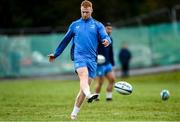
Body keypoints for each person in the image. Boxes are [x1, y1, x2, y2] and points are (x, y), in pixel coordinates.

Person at [48, 0, 111, 120]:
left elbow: (105, 36)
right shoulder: (75, 25)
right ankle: (89, 95)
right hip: (79, 57)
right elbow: (65, 40)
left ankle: (74, 114)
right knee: (83, 76)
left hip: (92, 60)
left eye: (87, 12)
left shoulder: (98, 25)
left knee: (84, 87)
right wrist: (55, 54)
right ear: (80, 10)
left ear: (91, 10)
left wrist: (107, 40)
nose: (85, 14)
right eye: (83, 12)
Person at [95, 22, 116, 101]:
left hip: (108, 64)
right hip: (100, 64)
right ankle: (96, 97)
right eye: (108, 28)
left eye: (110, 29)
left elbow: (111, 52)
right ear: (104, 29)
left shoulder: (110, 39)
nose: (109, 30)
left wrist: (113, 63)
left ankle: (109, 97)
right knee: (100, 82)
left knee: (112, 79)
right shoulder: (99, 38)